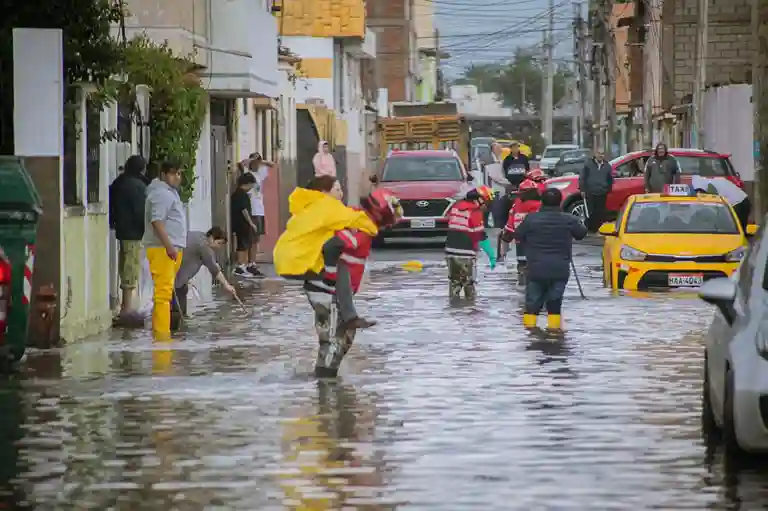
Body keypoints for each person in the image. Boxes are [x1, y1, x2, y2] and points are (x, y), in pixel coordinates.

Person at [305, 189, 403, 377]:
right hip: (329, 291)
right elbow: (333, 246)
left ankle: (326, 383)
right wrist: (331, 281)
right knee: (334, 340)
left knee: (339, 338)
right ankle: (325, 385)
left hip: (332, 291)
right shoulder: (360, 226)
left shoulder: (358, 219)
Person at [273, 175, 380, 332]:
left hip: (287, 261)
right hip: (300, 262)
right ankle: (348, 316)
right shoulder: (327, 205)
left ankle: (332, 300)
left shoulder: (308, 207)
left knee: (332, 255)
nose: (341, 194)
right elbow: (355, 219)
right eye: (337, 190)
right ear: (324, 192)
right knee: (340, 264)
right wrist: (373, 226)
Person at [516, 188, 587, 330]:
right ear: (560, 202)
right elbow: (582, 233)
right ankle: (554, 335)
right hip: (559, 269)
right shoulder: (569, 220)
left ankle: (530, 334)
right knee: (555, 302)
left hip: (536, 268)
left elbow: (518, 235)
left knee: (532, 303)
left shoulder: (531, 219)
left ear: (542, 201)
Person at [143, 161, 187, 340]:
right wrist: (169, 246)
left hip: (169, 249)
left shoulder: (169, 193)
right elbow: (157, 221)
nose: (177, 177)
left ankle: (161, 333)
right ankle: (162, 337)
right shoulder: (161, 194)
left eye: (179, 174)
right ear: (163, 174)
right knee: (163, 294)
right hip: (163, 249)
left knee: (165, 292)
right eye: (173, 174)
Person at [170, 227, 238, 331]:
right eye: (219, 243)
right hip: (175, 282)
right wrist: (227, 286)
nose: (218, 247)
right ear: (211, 238)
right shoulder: (205, 247)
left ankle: (177, 332)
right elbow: (214, 269)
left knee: (177, 306)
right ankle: (175, 335)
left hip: (175, 278)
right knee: (176, 313)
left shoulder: (196, 235)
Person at [109, 155, 148, 324]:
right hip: (134, 233)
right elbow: (141, 212)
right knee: (130, 270)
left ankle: (125, 307)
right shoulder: (137, 186)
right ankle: (127, 309)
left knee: (125, 266)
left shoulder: (119, 182)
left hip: (122, 231)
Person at [444, 185, 497, 299]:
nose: (486, 207)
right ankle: (469, 311)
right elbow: (480, 236)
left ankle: (454, 310)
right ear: (479, 200)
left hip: (451, 253)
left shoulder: (455, 208)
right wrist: (491, 255)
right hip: (466, 255)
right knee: (469, 286)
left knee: (454, 284)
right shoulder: (474, 212)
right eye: (486, 203)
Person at [238, 152, 277, 277]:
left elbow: (272, 165)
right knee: (249, 238)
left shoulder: (260, 174)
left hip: (260, 209)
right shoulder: (246, 173)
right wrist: (250, 160)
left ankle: (252, 263)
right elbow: (241, 163)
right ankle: (245, 264)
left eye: (257, 163)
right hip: (250, 209)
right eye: (254, 163)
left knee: (256, 239)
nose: (256, 165)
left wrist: (262, 161)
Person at [501, 179, 542, 286]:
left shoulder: (522, 205)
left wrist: (507, 235)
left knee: (525, 266)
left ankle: (526, 288)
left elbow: (511, 221)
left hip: (528, 242)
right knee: (527, 265)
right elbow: (511, 219)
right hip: (528, 242)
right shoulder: (537, 206)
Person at [230, 173, 259, 277]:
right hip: (241, 224)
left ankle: (242, 266)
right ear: (247, 183)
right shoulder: (240, 194)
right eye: (251, 185)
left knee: (244, 244)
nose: (251, 187)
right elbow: (244, 210)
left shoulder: (239, 194)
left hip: (242, 224)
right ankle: (240, 267)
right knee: (242, 245)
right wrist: (251, 223)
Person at [579, 149, 613, 233]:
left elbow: (610, 179)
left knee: (600, 212)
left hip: (602, 192)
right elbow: (582, 177)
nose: (600, 155)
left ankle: (598, 230)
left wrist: (608, 189)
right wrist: (582, 189)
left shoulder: (607, 166)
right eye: (599, 153)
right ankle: (589, 230)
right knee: (590, 212)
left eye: (602, 154)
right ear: (595, 154)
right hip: (590, 192)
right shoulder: (588, 164)